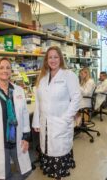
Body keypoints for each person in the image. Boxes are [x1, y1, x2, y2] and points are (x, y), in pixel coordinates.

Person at [32, 46, 81, 180]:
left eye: (55, 57)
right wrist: (36, 121)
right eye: (50, 57)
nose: (53, 60)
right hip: (45, 121)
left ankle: (60, 169)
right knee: (47, 145)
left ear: (60, 58)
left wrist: (66, 118)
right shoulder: (43, 77)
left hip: (61, 121)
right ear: (46, 60)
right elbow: (38, 102)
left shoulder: (68, 75)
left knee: (59, 147)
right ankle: (49, 167)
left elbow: (76, 98)